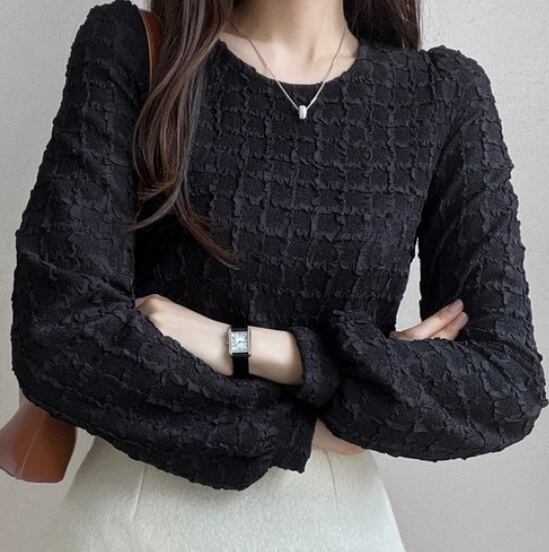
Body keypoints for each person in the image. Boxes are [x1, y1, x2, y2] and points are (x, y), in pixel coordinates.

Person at [10, 0, 547, 550]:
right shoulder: (136, 50)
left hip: (337, 530)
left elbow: (505, 387)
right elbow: (60, 337)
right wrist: (324, 420)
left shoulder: (442, 94)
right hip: (136, 522)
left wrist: (245, 347)